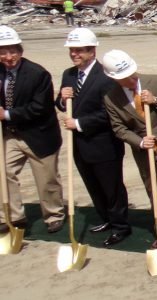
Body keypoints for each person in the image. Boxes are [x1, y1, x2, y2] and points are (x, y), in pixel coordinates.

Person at [99, 49, 157, 250]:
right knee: (151, 187)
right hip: (143, 149)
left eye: (130, 74)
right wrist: (140, 142)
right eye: (123, 78)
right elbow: (119, 128)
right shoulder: (111, 98)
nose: (129, 79)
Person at [56, 28, 132, 246]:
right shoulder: (68, 75)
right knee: (92, 185)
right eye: (72, 50)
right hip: (79, 145)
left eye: (79, 50)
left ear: (92, 51)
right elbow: (60, 103)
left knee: (112, 187)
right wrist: (62, 100)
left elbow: (110, 113)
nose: (74, 54)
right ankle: (106, 219)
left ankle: (120, 226)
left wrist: (79, 123)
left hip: (104, 143)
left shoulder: (106, 76)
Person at [0, 26, 65, 235]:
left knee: (47, 179)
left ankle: (54, 215)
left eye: (12, 51)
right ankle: (13, 216)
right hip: (12, 134)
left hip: (39, 134)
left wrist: (7, 115)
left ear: (20, 51)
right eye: (3, 51)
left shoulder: (38, 74)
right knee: (3, 173)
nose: (8, 57)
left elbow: (40, 107)